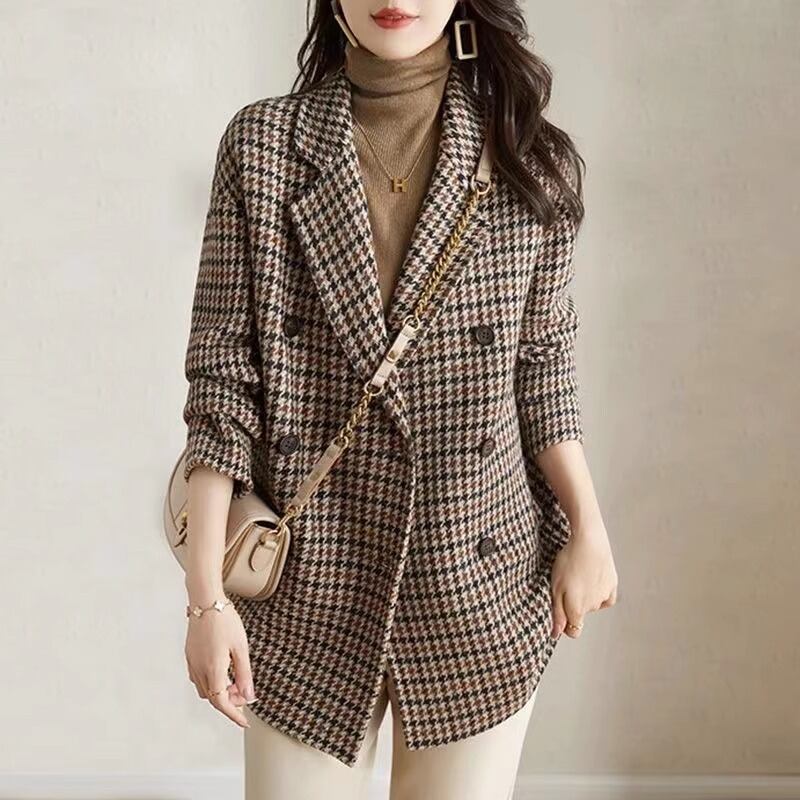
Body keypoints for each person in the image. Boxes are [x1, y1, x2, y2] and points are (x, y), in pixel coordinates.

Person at [180, 1, 619, 797]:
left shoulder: (526, 155)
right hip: (307, 592)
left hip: (477, 582)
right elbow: (222, 390)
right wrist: (206, 600)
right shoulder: (262, 146)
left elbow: (543, 368)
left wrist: (588, 528)